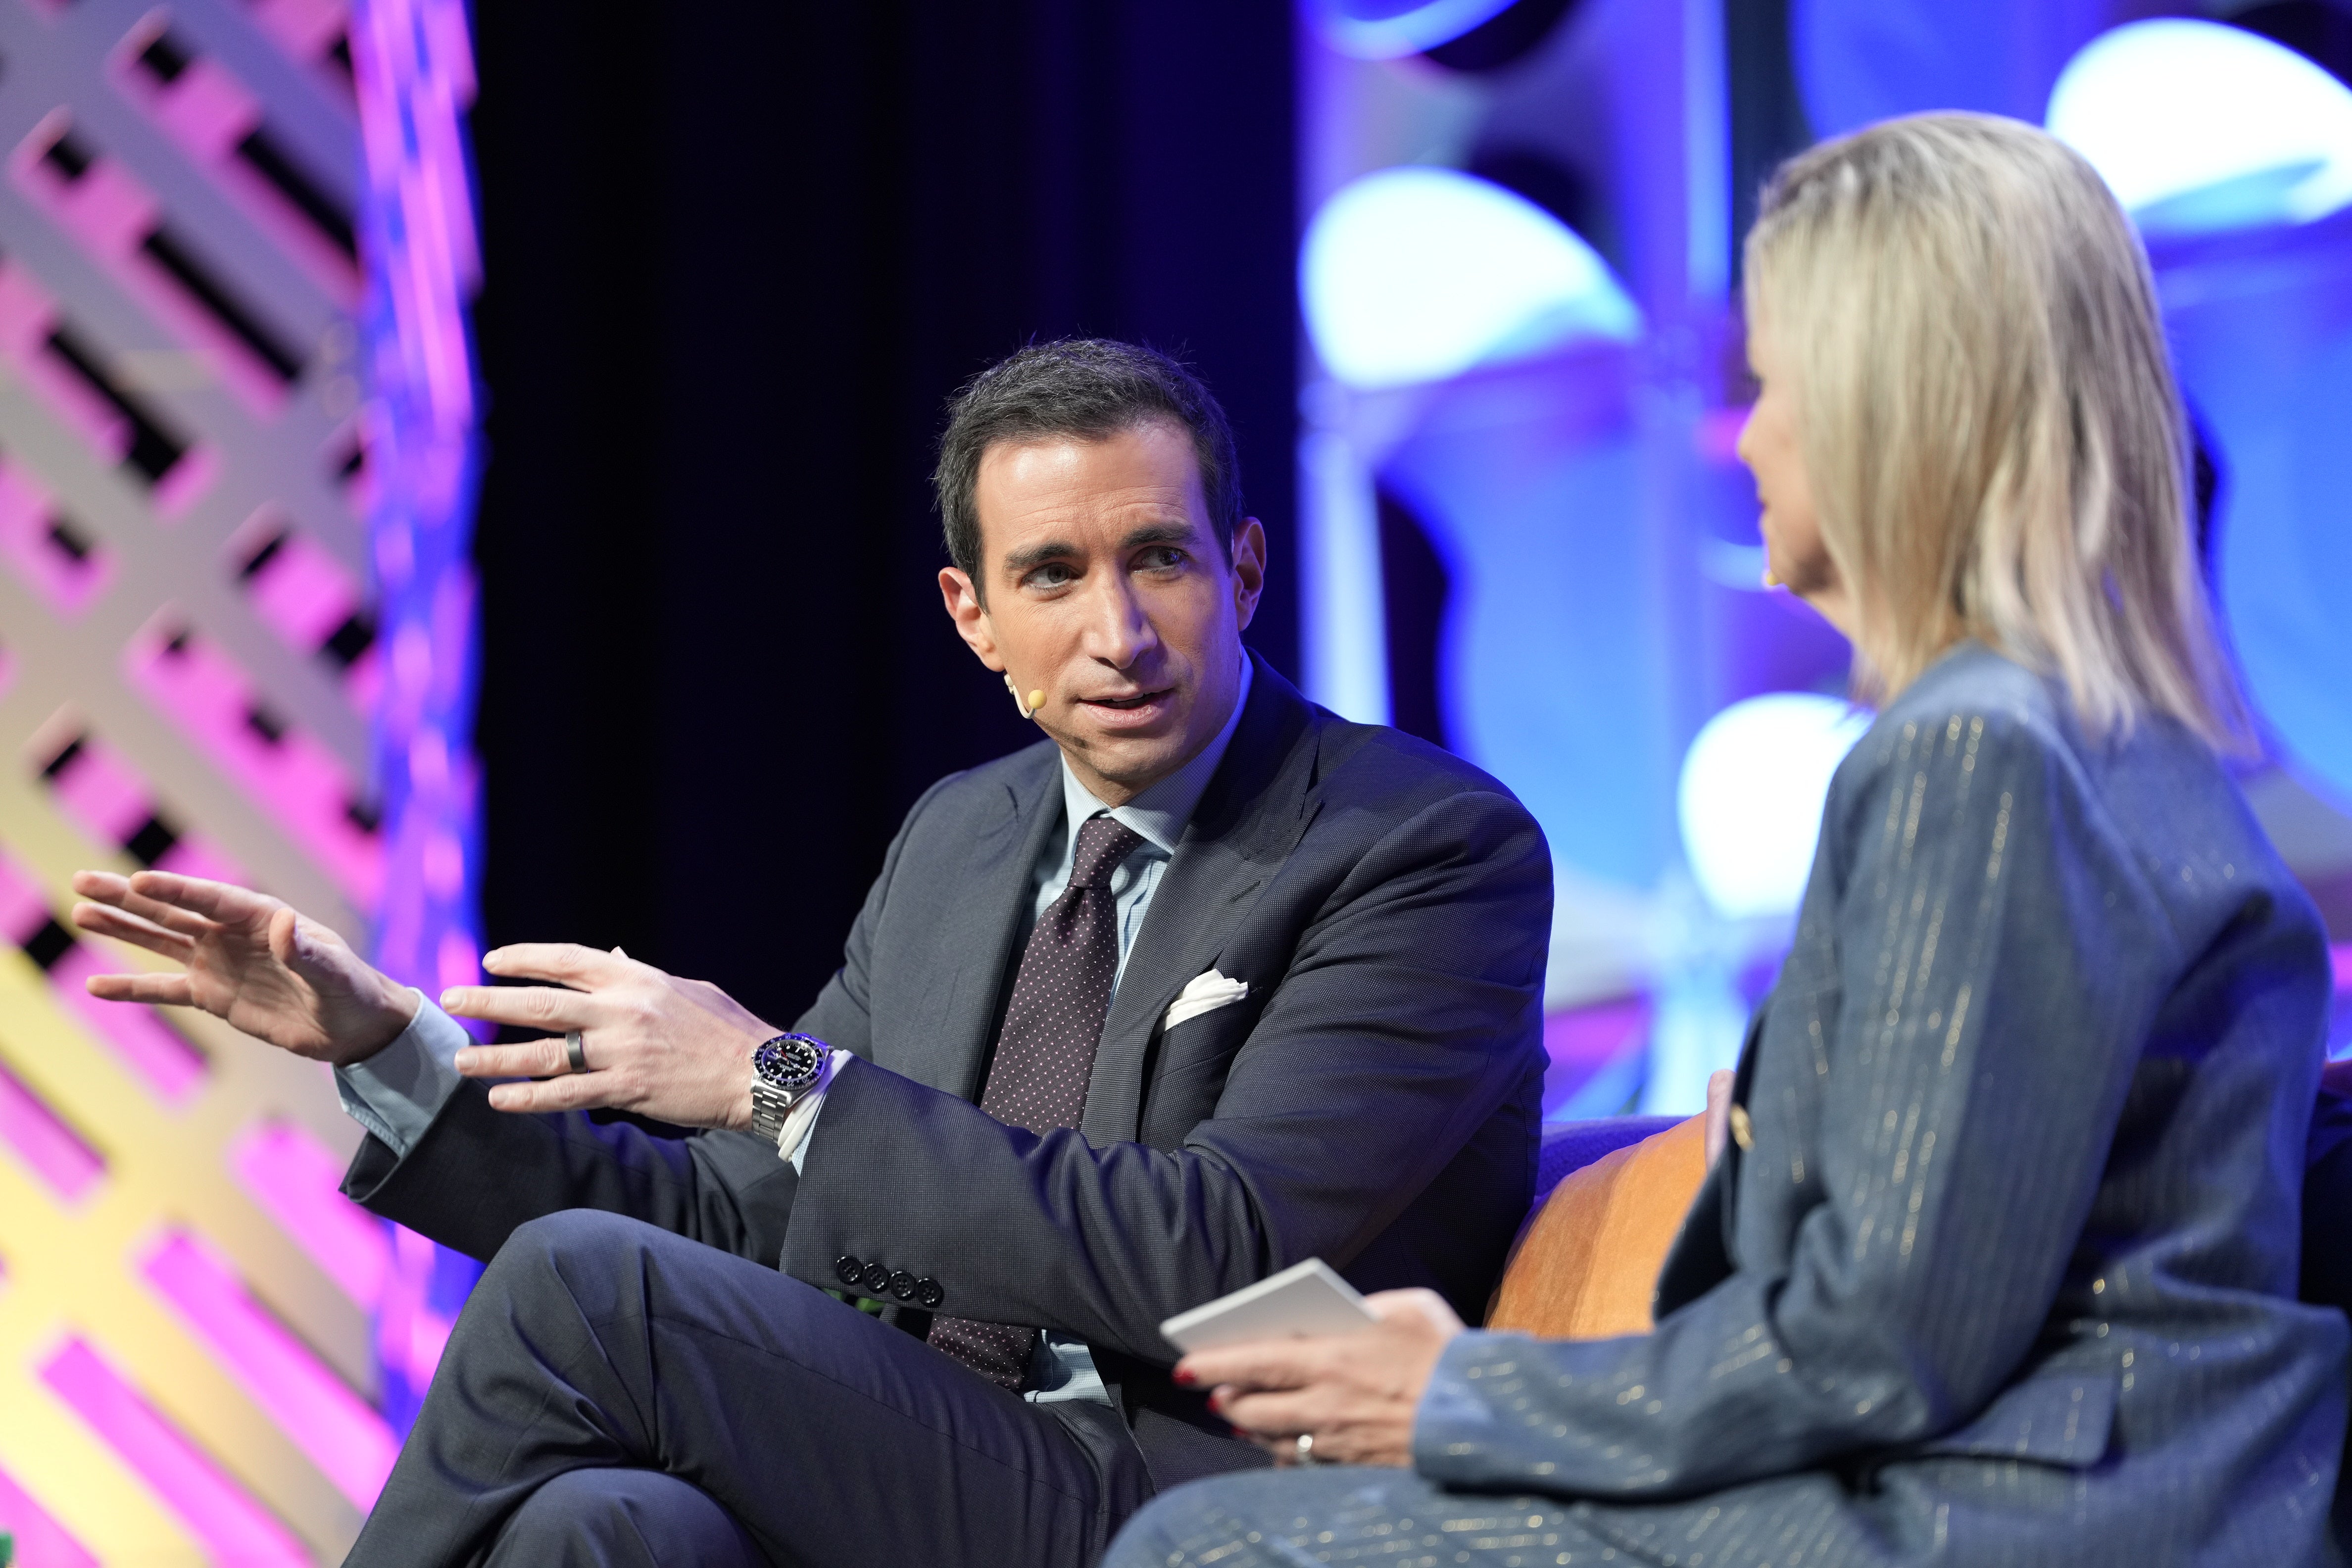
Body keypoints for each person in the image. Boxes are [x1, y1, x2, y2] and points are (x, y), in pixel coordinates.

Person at [72, 340, 1554, 1566]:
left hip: (1193, 1499)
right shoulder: (966, 841)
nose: (1120, 634)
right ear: (974, 618)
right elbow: (742, 1226)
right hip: (932, 1452)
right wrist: (389, 1048)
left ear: (1242, 568)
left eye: (1157, 559)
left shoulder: (1416, 847)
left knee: (593, 1289)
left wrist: (776, 1077)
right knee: (606, 1529)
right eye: (1052, 577)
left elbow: (1221, 1250)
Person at [1104, 113, 2350, 1568]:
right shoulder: (2098, 740)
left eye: (1773, 382)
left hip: (2017, 1513)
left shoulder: (1980, 756)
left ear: (1901, 405)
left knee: (1209, 1550)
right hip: (2077, 1487)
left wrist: (1461, 1393)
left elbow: (1880, 1347)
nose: (1743, 433)